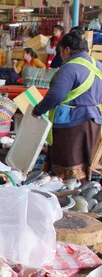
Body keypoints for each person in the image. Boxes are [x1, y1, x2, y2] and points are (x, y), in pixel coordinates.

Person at [33, 32, 102, 181]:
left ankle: (66, 195)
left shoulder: (69, 69)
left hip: (73, 124)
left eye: (61, 51)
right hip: (94, 122)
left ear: (67, 50)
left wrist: (37, 110)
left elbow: (55, 96)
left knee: (68, 168)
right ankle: (82, 192)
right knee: (84, 163)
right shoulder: (98, 65)